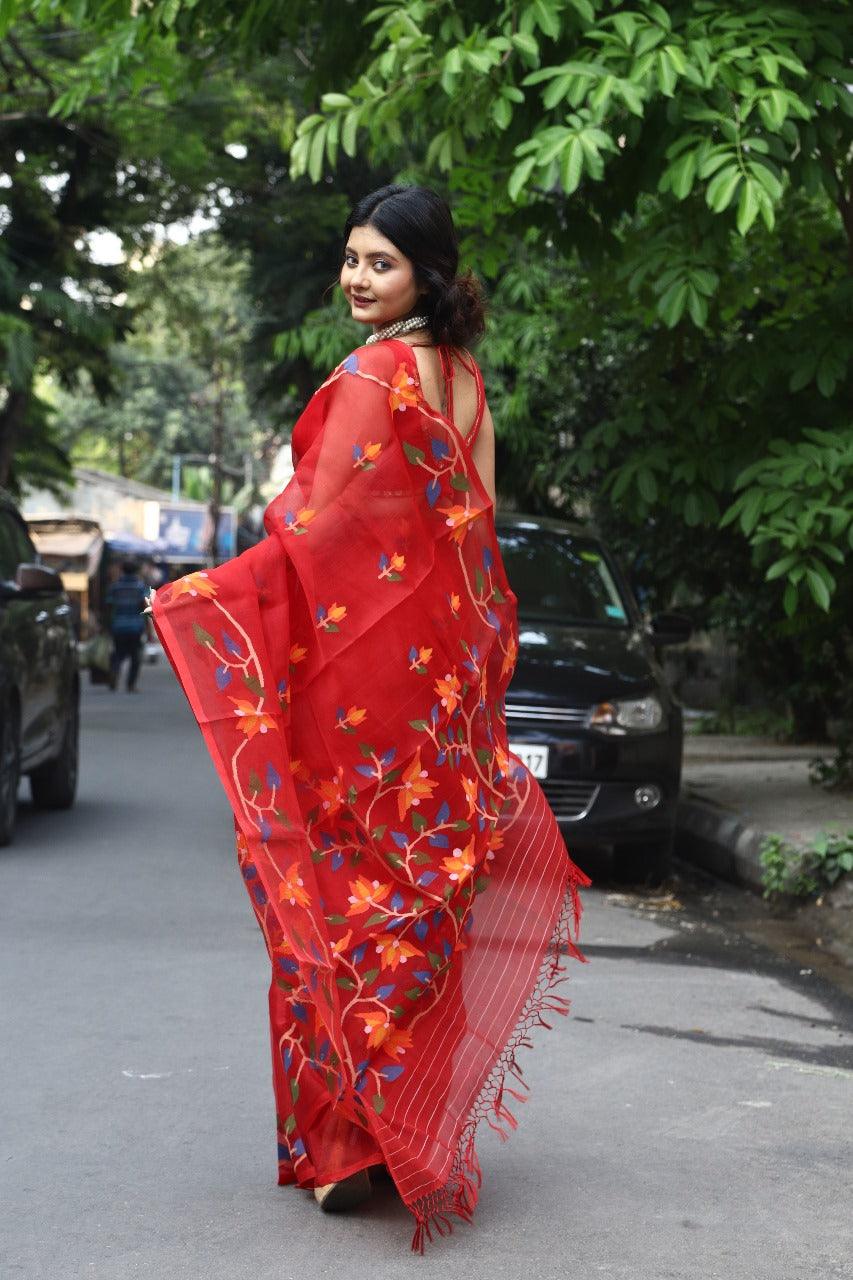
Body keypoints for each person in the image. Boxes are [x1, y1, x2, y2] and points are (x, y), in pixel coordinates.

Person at [150, 184, 589, 1250]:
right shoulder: (469, 386)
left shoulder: (373, 373)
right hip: (440, 687)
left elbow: (307, 523)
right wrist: (475, 685)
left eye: (378, 263)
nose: (356, 277)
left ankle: (347, 1142)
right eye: (350, 258)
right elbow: (479, 550)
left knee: (333, 884)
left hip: (360, 685)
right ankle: (406, 1130)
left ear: (425, 276)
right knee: (420, 890)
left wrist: (211, 598)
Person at [106, 558, 149, 692]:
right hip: (135, 626)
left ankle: (114, 671)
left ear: (122, 570)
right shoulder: (140, 586)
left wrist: (107, 625)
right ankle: (130, 685)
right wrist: (147, 626)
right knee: (135, 657)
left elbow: (108, 606)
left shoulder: (115, 586)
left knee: (118, 653)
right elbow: (145, 606)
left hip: (118, 625)